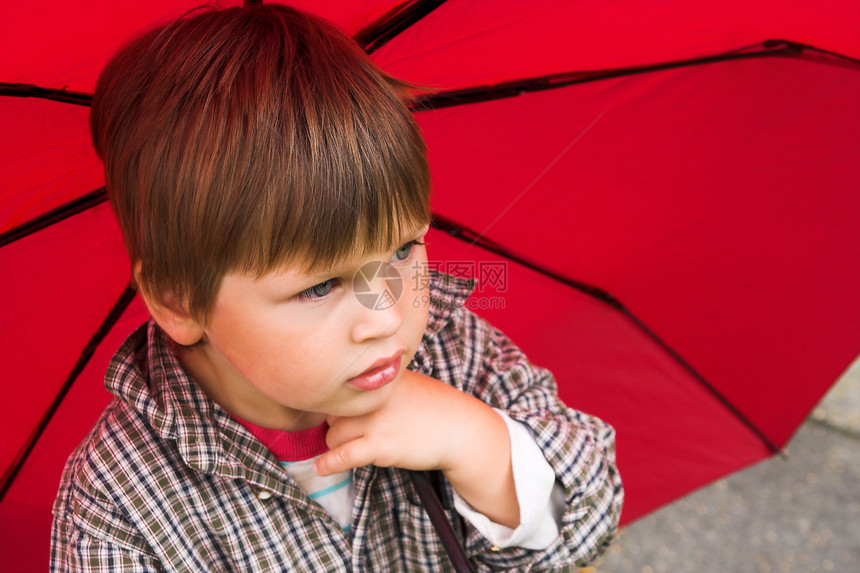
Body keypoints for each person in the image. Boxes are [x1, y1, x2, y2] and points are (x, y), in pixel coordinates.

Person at [50, 4, 622, 571]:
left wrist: (475, 442)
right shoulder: (121, 507)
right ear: (178, 298)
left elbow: (590, 518)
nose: (386, 317)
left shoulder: (453, 353)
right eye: (321, 286)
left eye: (402, 250)